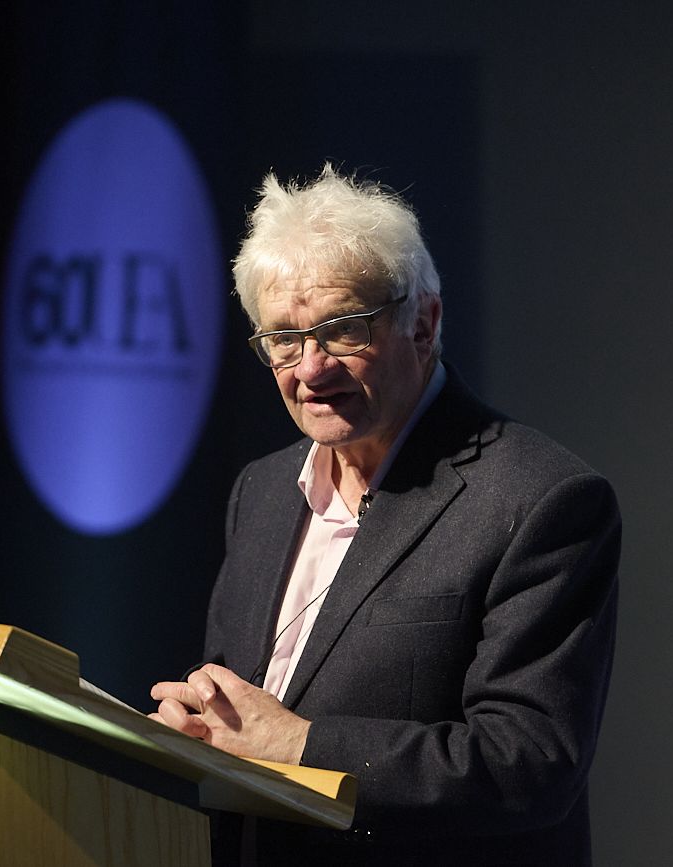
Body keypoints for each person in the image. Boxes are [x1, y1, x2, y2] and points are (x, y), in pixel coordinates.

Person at [150, 165, 620, 866]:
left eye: (342, 331)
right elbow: (247, 715)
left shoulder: (541, 499)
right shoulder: (263, 489)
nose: (309, 368)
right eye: (282, 338)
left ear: (423, 323)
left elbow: (529, 761)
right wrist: (202, 727)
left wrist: (299, 743)